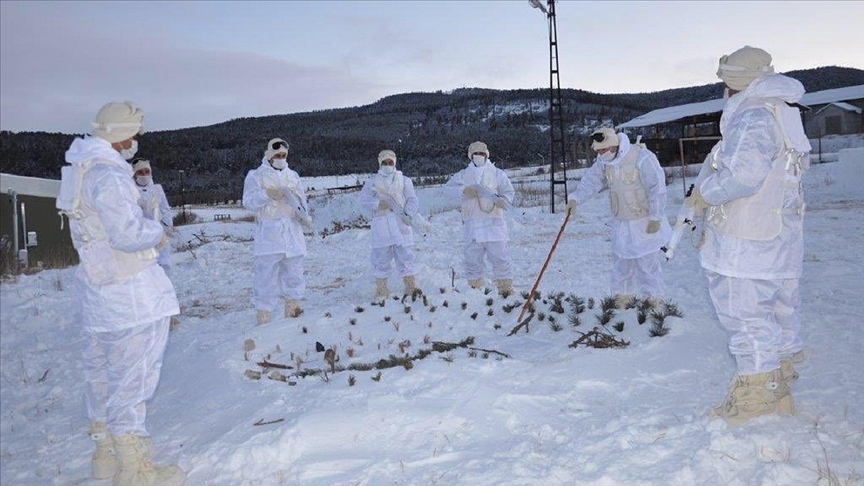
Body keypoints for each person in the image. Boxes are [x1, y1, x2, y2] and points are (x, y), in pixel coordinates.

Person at [58, 101, 185, 485]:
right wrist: (157, 232)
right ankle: (135, 470)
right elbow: (127, 234)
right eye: (131, 135)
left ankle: (106, 454)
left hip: (100, 290)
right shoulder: (109, 176)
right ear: (118, 136)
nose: (134, 142)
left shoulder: (81, 170)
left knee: (101, 371)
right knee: (135, 375)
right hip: (128, 294)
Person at [689, 46, 811, 425]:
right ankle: (777, 391)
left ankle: (756, 404)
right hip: (776, 238)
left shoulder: (754, 116)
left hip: (748, 240)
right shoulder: (781, 111)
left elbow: (742, 176)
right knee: (772, 316)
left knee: (746, 319)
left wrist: (704, 195)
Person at [565, 127, 672, 308]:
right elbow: (592, 181)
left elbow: (657, 187)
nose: (600, 154)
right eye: (597, 151)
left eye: (603, 150)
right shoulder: (604, 162)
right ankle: (622, 298)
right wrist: (576, 198)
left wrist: (656, 216)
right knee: (621, 263)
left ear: (614, 146)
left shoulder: (642, 156)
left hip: (643, 221)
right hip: (621, 222)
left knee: (646, 264)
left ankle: (654, 300)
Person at [242, 138, 313, 325]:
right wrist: (267, 194)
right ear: (269, 155)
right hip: (269, 235)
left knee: (295, 273)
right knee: (266, 278)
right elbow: (248, 202)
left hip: (292, 233)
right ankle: (264, 315)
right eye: (277, 155)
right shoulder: (256, 176)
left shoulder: (293, 176)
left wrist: (303, 216)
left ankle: (293, 309)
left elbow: (302, 201)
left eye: (283, 155)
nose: (281, 158)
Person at [445, 141, 515, 295]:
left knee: (500, 258)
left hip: (493, 223)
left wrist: (504, 200)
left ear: (486, 155)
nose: (479, 156)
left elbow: (509, 192)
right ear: (470, 156)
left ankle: (506, 290)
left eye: (481, 153)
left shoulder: (497, 173)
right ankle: (474, 290)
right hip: (473, 224)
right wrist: (463, 190)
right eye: (475, 153)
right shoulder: (463, 175)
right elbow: (446, 190)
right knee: (472, 260)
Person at [358, 149, 422, 301]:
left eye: (390, 162)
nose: (387, 165)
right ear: (380, 163)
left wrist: (408, 212)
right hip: (381, 224)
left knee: (405, 256)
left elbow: (412, 199)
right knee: (381, 259)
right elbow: (363, 200)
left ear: (395, 162)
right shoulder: (372, 181)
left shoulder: (405, 180)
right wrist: (377, 204)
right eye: (384, 163)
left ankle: (411, 286)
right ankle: (381, 290)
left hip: (401, 223)